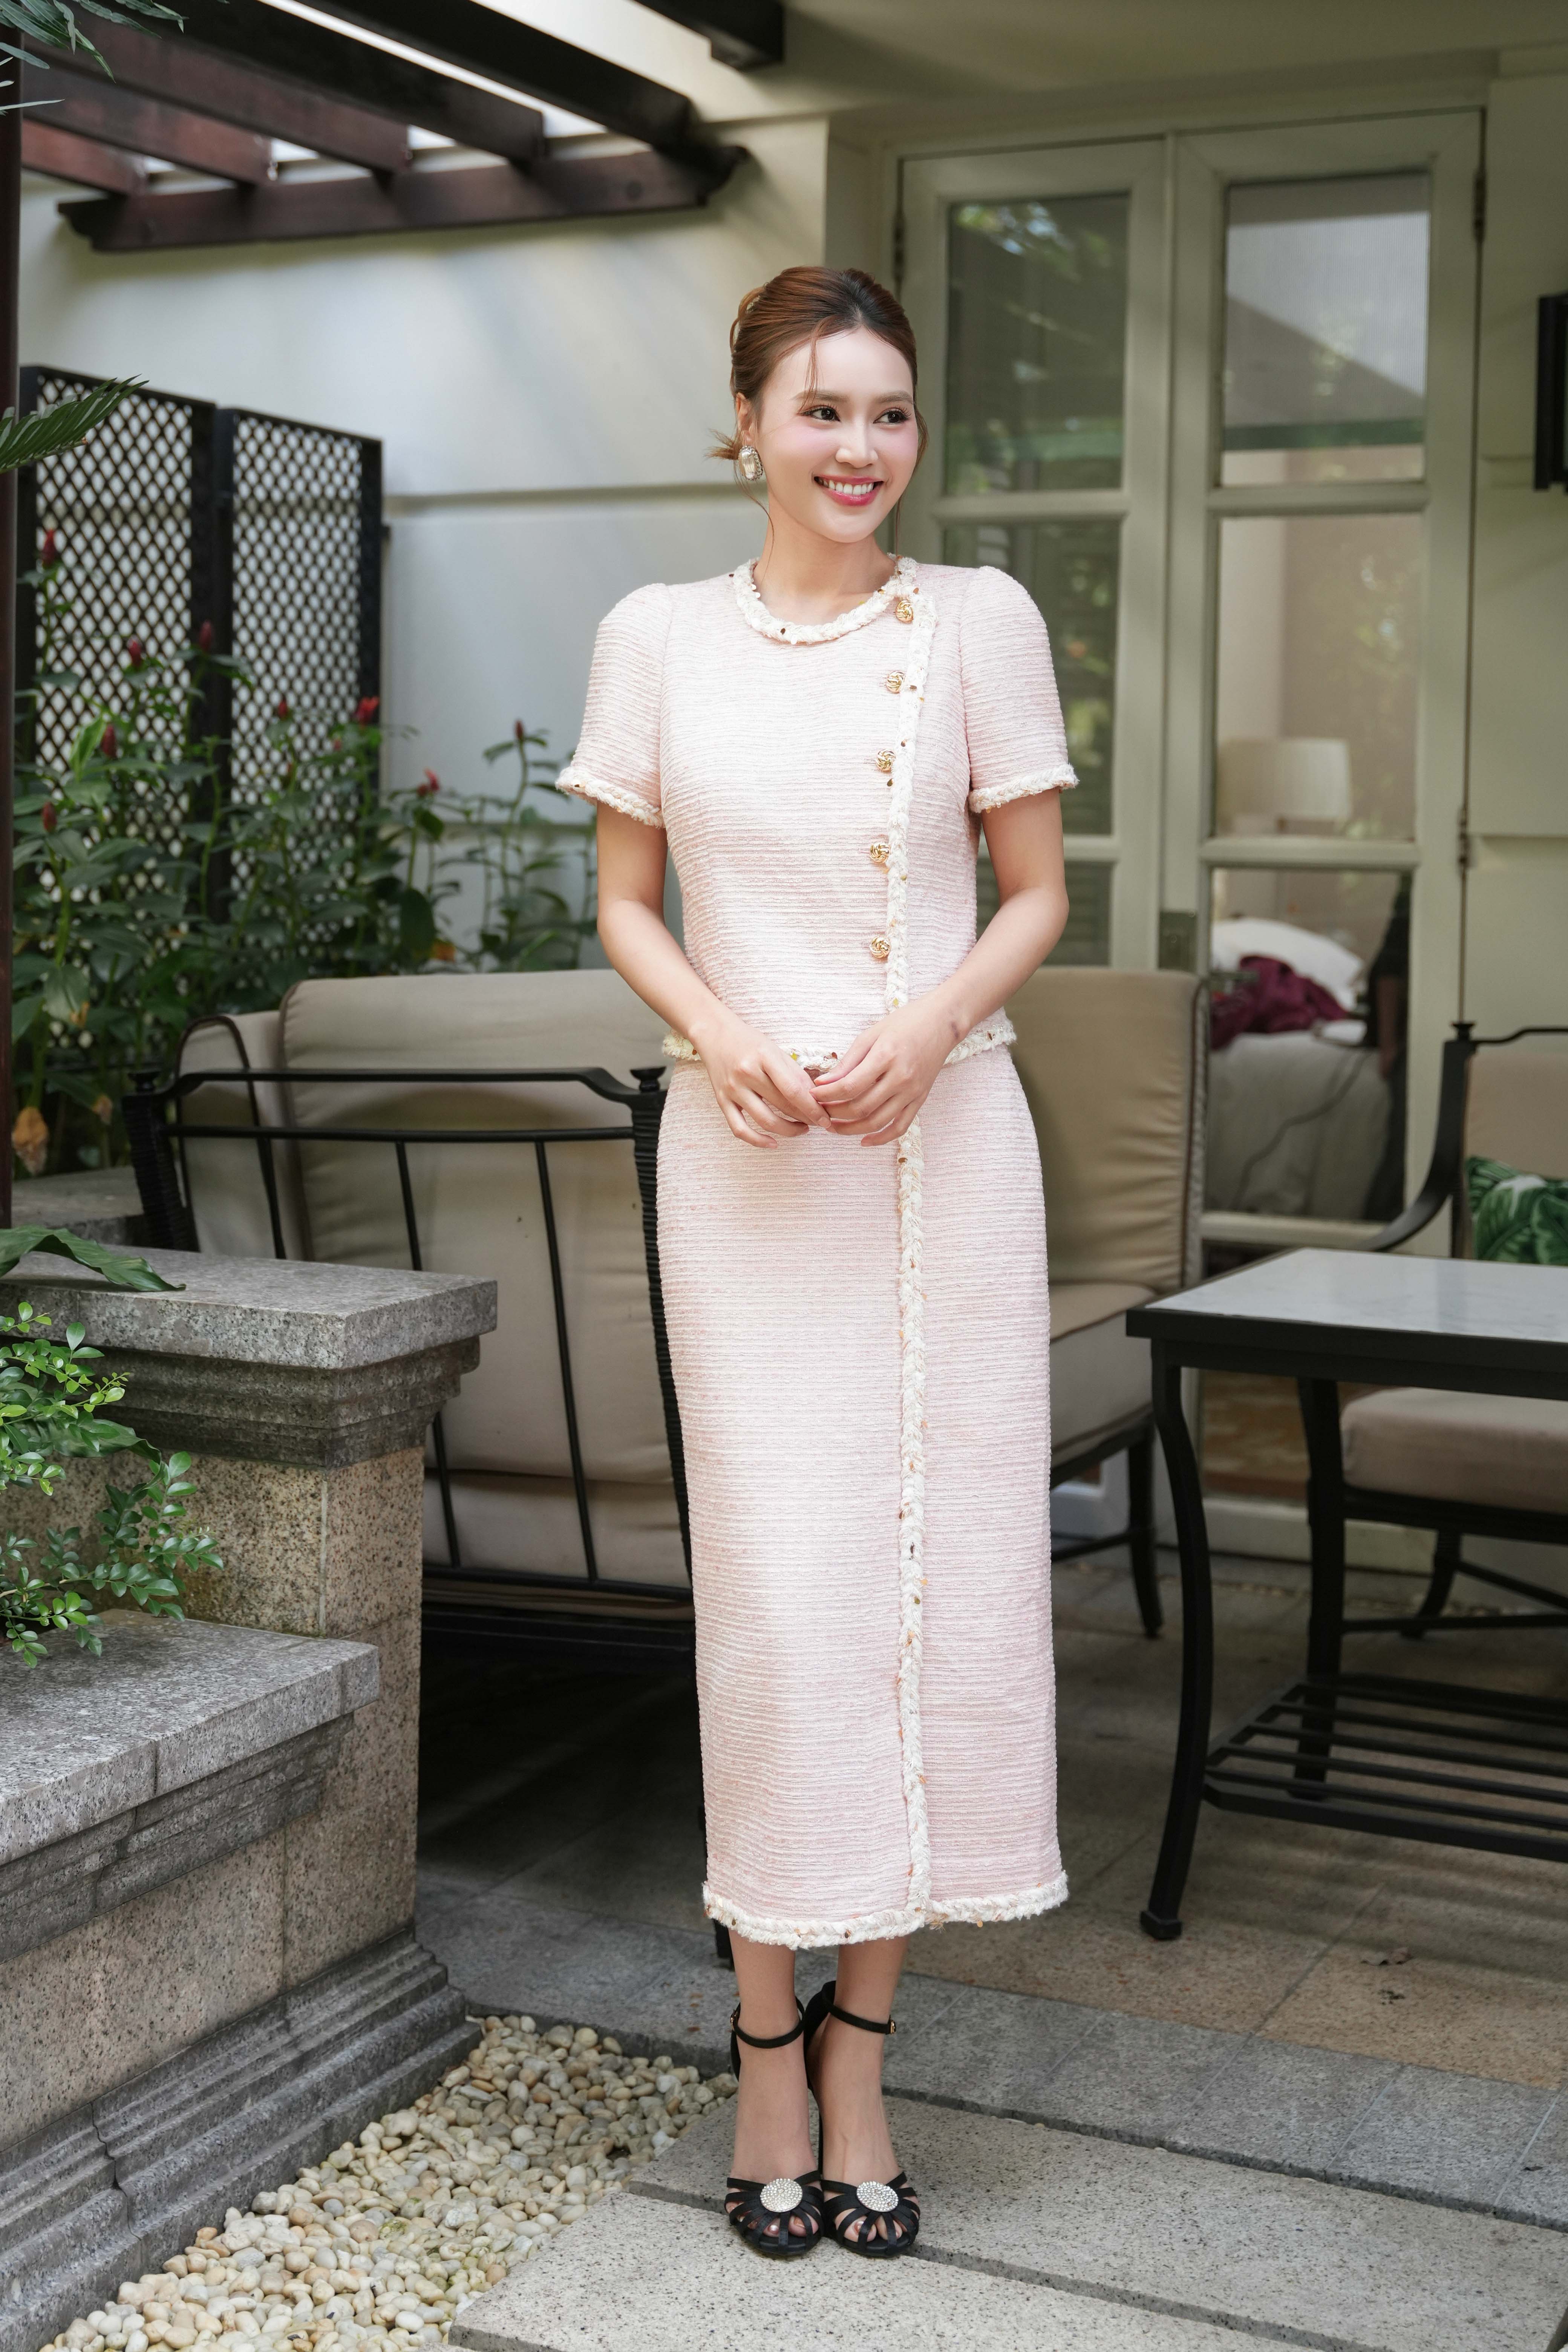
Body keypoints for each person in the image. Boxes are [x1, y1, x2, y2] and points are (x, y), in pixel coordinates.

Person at [559, 265, 1073, 2262]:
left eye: (891, 412)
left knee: (917, 1601)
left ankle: (862, 2057)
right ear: (750, 426)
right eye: (824, 409)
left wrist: (929, 1030)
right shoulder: (655, 637)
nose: (862, 447)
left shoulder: (980, 623)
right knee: (781, 1606)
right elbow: (627, 899)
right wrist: (721, 1036)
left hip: (942, 1160)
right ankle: (761, 2039)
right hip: (751, 1168)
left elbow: (1034, 894)